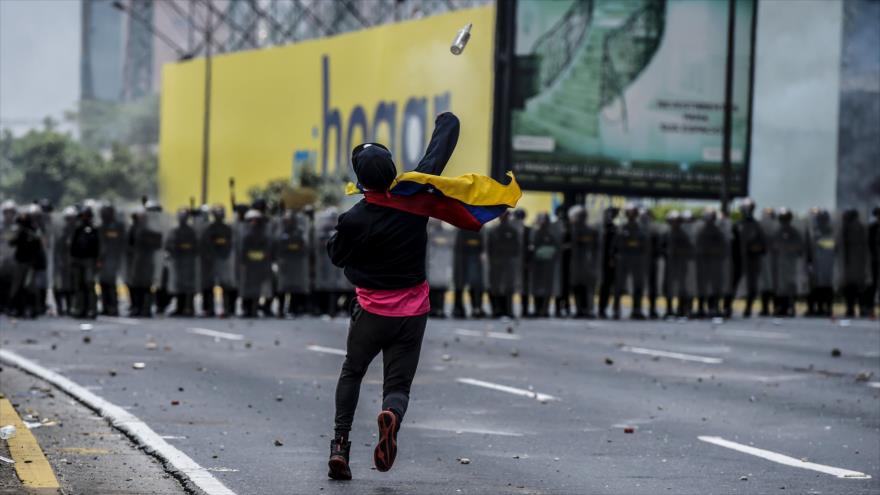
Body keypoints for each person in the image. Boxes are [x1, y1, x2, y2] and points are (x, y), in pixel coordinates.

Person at [325, 112, 459, 480]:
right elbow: (436, 157)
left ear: (360, 180)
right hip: (413, 313)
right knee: (397, 385)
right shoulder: (415, 200)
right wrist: (447, 122)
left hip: (371, 313)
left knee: (352, 372)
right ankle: (392, 417)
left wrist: (335, 240)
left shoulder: (355, 219)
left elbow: (338, 256)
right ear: (393, 172)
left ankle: (340, 445)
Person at [728, 199, 766, 317]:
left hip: (752, 260)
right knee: (733, 284)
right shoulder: (736, 225)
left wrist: (756, 248)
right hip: (738, 259)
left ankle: (748, 308)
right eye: (745, 208)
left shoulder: (757, 226)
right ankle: (727, 306)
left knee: (752, 285)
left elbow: (763, 245)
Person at [8, 210, 46, 318]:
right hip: (20, 263)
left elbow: (38, 248)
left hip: (30, 264)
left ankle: (33, 308)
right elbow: (12, 243)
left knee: (30, 286)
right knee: (17, 286)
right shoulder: (20, 233)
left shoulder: (33, 233)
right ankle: (17, 308)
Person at [127, 207, 163, 317]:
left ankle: (145, 308)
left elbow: (158, 243)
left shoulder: (153, 229)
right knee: (136, 285)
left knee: (146, 286)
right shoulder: (135, 228)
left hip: (148, 259)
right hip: (137, 260)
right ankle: (137, 307)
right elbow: (129, 243)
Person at [613, 204, 648, 320]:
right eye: (629, 212)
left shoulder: (641, 228)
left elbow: (644, 245)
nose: (631, 215)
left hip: (637, 259)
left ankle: (637, 310)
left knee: (638, 285)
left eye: (634, 212)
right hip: (624, 259)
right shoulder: (622, 227)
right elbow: (616, 244)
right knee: (619, 285)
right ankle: (616, 310)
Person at [200, 205, 235, 317]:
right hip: (211, 261)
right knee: (208, 285)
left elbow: (230, 243)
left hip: (224, 259)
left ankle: (227, 309)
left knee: (225, 285)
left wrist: (225, 255)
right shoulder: (209, 229)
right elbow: (205, 243)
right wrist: (210, 256)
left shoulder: (227, 229)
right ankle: (209, 309)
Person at [274, 209, 310, 317]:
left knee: (295, 288)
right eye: (286, 219)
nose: (288, 221)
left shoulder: (299, 232)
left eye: (289, 219)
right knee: (282, 288)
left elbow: (303, 247)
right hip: (284, 263)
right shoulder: (281, 232)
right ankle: (280, 310)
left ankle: (294, 309)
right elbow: (277, 246)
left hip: (296, 263)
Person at [239, 209, 273, 318]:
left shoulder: (264, 236)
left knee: (257, 289)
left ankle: (254, 309)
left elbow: (267, 252)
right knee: (247, 288)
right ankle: (246, 309)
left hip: (259, 266)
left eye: (255, 221)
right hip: (249, 266)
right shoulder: (246, 235)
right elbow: (243, 251)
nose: (253, 223)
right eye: (251, 221)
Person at [165, 208, 198, 317]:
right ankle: (180, 307)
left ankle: (189, 307)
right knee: (179, 285)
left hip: (188, 261)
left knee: (188, 285)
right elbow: (169, 244)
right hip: (178, 260)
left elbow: (195, 246)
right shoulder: (175, 231)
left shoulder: (191, 231)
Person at [486, 211, 520, 318]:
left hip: (502, 262)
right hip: (503, 263)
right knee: (501, 288)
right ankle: (504, 311)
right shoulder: (497, 231)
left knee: (502, 288)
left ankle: (500, 310)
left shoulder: (496, 231)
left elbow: (516, 248)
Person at [771, 208, 803, 317]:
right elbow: (772, 247)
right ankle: (781, 307)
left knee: (789, 286)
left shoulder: (793, 232)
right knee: (780, 287)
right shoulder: (777, 231)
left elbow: (799, 247)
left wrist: (788, 249)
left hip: (790, 263)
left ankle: (790, 307)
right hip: (780, 263)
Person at [69, 207, 100, 319]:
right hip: (78, 260)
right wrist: (72, 258)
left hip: (89, 260)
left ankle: (92, 309)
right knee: (79, 285)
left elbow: (98, 246)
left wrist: (98, 260)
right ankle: (80, 309)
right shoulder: (78, 228)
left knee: (89, 284)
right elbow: (72, 245)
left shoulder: (94, 228)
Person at [568, 205, 599, 318]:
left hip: (586, 265)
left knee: (586, 289)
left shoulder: (591, 231)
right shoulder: (572, 230)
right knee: (578, 288)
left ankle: (587, 310)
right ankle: (580, 309)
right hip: (577, 264)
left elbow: (596, 248)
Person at [695, 209, 726, 318]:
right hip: (703, 263)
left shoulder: (718, 231)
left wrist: (713, 251)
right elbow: (697, 247)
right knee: (702, 286)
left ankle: (714, 307)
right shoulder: (701, 231)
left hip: (714, 264)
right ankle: (700, 308)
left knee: (715, 286)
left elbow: (722, 248)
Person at [97, 203, 126, 316]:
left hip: (113, 258)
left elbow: (121, 242)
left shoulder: (118, 226)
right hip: (102, 259)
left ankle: (113, 307)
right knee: (103, 283)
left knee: (111, 283)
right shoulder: (101, 226)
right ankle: (106, 306)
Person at [806, 209, 835, 317]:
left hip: (826, 265)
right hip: (818, 265)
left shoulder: (828, 232)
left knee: (825, 288)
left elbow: (831, 247)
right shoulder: (815, 232)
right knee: (817, 288)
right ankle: (818, 308)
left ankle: (826, 308)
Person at [664, 211, 693, 318]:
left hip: (681, 264)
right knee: (668, 287)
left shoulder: (683, 234)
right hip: (670, 265)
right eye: (672, 221)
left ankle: (681, 309)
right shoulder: (667, 234)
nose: (674, 223)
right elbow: (660, 247)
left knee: (682, 287)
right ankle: (669, 309)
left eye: (676, 221)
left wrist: (679, 252)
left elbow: (689, 249)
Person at [529, 213, 559, 318]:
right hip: (538, 265)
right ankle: (538, 309)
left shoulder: (550, 234)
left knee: (546, 288)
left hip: (547, 265)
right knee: (537, 287)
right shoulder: (535, 233)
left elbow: (556, 249)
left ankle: (544, 309)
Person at [452, 227, 486, 318]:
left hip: (470, 260)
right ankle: (466, 308)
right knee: (463, 285)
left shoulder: (465, 231)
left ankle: (473, 308)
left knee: (473, 285)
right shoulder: (466, 231)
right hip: (465, 260)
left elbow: (482, 248)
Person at [840, 209, 868, 318]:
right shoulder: (859, 227)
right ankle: (860, 308)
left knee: (851, 288)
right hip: (857, 263)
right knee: (858, 288)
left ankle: (851, 308)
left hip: (851, 264)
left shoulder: (848, 227)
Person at [426, 218, 454, 318]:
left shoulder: (447, 233)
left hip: (442, 264)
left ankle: (440, 309)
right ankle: (433, 309)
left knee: (441, 288)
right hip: (432, 264)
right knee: (432, 289)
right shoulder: (428, 232)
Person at [597, 206, 618, 318]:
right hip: (599, 261)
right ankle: (598, 308)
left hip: (610, 262)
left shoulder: (614, 228)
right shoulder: (599, 228)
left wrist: (612, 258)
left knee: (608, 286)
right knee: (603, 285)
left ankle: (606, 309)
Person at [553, 205, 572, 317]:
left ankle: (567, 306)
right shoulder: (554, 226)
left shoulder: (569, 226)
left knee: (566, 284)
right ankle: (557, 307)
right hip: (556, 259)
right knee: (558, 283)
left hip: (567, 259)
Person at [512, 208, 533, 317]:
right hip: (513, 263)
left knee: (525, 287)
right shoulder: (511, 230)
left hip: (523, 263)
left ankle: (524, 310)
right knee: (511, 287)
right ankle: (509, 310)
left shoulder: (528, 230)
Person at [0, 200, 18, 313]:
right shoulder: (1, 227)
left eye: (11, 212)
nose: (9, 214)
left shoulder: (17, 228)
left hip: (14, 259)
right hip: (2, 259)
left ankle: (10, 305)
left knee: (12, 283)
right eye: (6, 212)